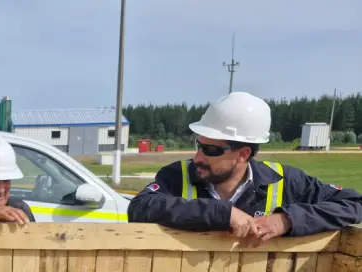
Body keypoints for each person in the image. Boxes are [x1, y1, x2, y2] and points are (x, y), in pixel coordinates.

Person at [127, 91, 362, 243]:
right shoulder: (177, 175)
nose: (198, 157)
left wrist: (288, 220)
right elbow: (139, 207)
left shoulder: (285, 180)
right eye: (200, 145)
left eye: (211, 150)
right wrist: (222, 212)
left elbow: (354, 204)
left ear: (243, 154)